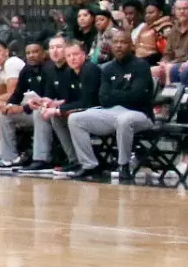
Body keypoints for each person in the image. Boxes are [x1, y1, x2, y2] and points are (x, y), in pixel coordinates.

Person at [65, 27, 156, 182]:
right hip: (112, 111)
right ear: (111, 46)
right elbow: (103, 99)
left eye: (123, 42)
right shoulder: (107, 68)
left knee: (124, 120)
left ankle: (123, 165)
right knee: (75, 119)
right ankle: (89, 164)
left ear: (131, 46)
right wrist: (122, 95)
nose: (119, 45)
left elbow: (137, 96)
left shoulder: (141, 66)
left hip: (140, 113)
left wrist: (115, 95)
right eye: (115, 42)